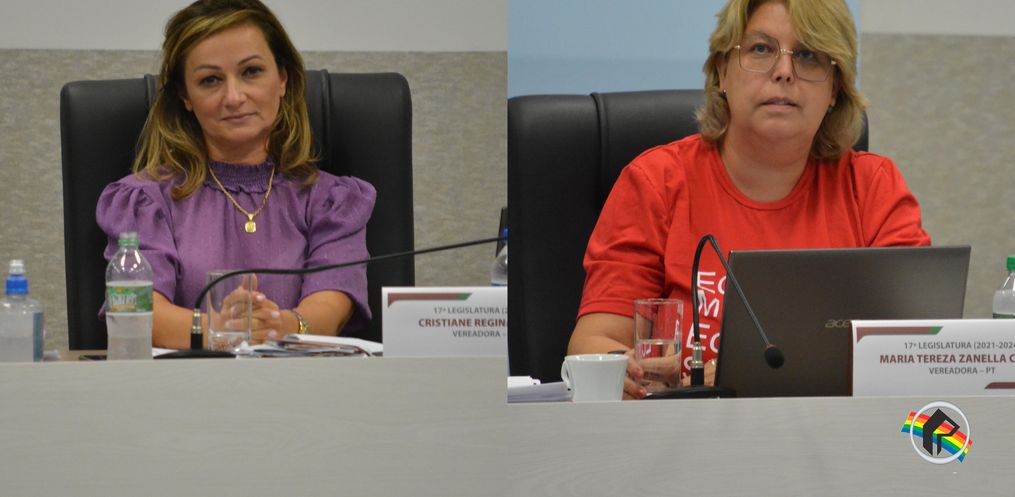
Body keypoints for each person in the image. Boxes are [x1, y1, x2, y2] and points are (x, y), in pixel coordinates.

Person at [567, 0, 930, 399]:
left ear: (835, 88)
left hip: (831, 429)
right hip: (685, 429)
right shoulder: (656, 183)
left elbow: (915, 346)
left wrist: (749, 376)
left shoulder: (872, 188)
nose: (784, 71)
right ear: (722, 71)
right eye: (761, 49)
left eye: (808, 55)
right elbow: (593, 342)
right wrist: (634, 371)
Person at [96, 0, 375, 349]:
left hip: (301, 379)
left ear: (283, 78)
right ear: (185, 95)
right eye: (210, 80)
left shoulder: (332, 202)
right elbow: (138, 315)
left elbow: (331, 308)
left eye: (251, 71)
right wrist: (221, 329)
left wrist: (281, 326)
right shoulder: (145, 202)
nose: (233, 97)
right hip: (181, 381)